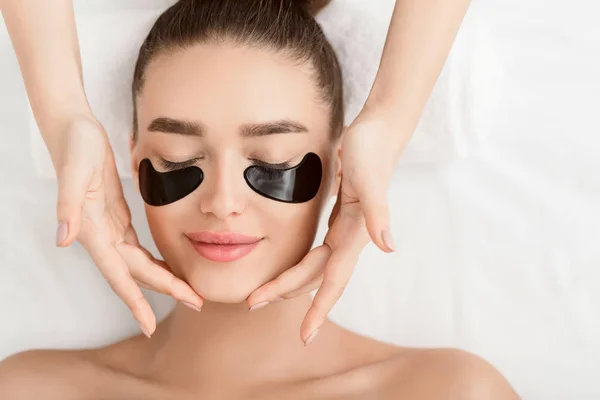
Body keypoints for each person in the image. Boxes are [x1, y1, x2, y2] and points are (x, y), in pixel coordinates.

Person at [0, 1, 519, 398]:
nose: (222, 201)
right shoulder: (31, 390)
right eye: (180, 161)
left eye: (273, 164)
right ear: (132, 162)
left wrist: (389, 120)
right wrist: (65, 118)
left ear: (341, 166)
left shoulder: (448, 392)